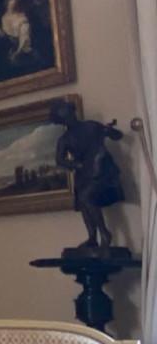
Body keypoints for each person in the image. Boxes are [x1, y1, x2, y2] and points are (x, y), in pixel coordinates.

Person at [50, 99, 125, 249]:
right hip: (84, 172)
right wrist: (76, 164)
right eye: (65, 117)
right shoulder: (64, 139)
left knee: (87, 197)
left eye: (70, 113)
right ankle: (92, 237)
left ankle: (104, 233)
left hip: (102, 170)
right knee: (84, 204)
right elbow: (59, 160)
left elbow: (117, 136)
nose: (70, 118)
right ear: (61, 121)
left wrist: (109, 131)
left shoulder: (91, 126)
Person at [0, 0, 38, 71]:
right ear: (7, 1)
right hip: (6, 52)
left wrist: (17, 53)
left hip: (21, 52)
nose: (13, 2)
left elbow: (24, 38)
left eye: (16, 0)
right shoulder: (3, 16)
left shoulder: (22, 18)